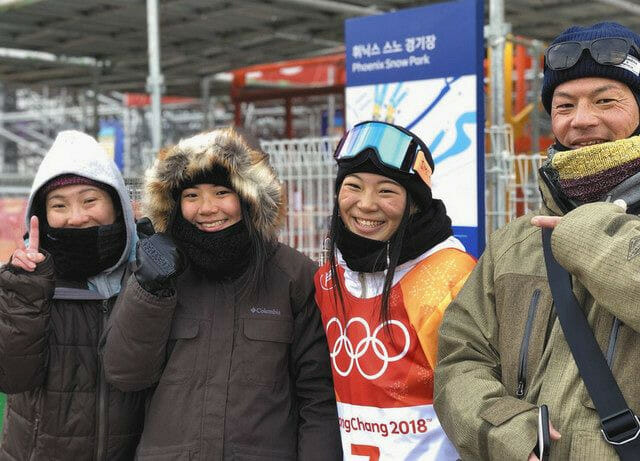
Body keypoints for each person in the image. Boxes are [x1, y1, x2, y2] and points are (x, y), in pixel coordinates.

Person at [434, 22, 640, 460]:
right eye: (564, 105)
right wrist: (508, 431)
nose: (582, 120)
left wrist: (586, 231)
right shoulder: (516, 242)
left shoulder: (566, 232)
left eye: (606, 100)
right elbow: (460, 358)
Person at [102, 127, 342, 460]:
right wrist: (150, 288)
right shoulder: (158, 270)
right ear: (174, 203)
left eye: (220, 192)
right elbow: (125, 373)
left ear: (249, 197)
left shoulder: (293, 276)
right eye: (191, 195)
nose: (206, 208)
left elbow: (318, 398)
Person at [314, 120, 476, 459]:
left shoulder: (449, 274)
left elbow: (479, 394)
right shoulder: (329, 277)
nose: (366, 204)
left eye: (387, 191)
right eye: (353, 186)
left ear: (414, 204)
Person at [0, 131, 145, 459]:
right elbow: (12, 376)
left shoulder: (144, 276)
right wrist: (24, 291)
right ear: (42, 214)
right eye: (59, 205)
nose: (76, 217)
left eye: (90, 200)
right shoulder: (25, 281)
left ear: (117, 203)